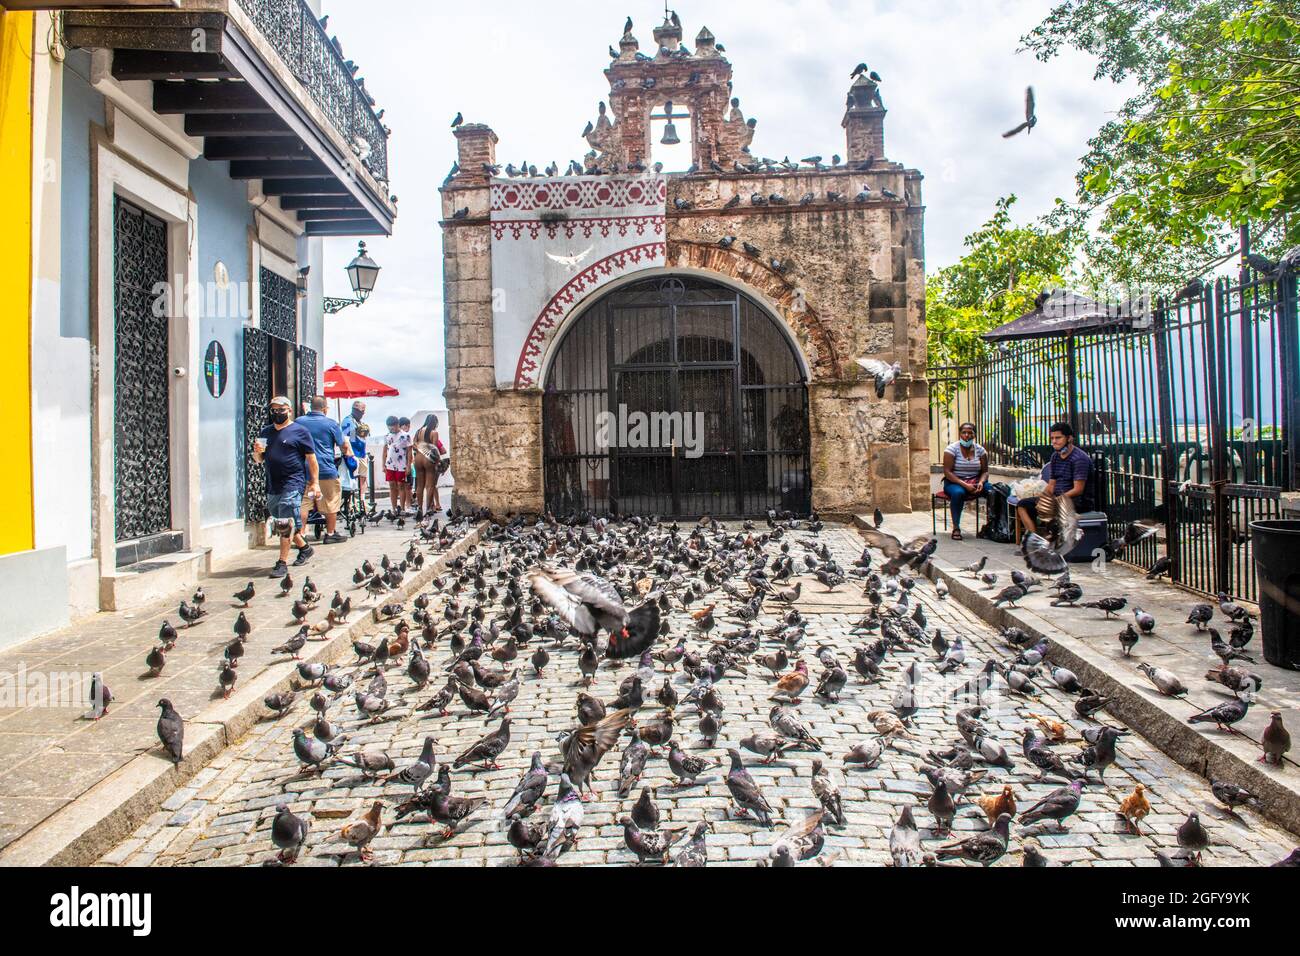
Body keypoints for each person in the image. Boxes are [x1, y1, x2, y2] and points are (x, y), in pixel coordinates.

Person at [252, 395, 319, 576]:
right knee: (281, 520)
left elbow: (312, 460)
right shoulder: (266, 432)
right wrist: (256, 453)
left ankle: (282, 562)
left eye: (281, 410)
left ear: (289, 411)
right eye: (274, 410)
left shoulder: (300, 431)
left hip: (293, 482)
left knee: (285, 522)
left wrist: (315, 483)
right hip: (273, 483)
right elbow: (259, 459)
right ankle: (305, 548)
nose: (277, 413)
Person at [1017, 421, 1092, 537]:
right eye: (1052, 438)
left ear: (1069, 438)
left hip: (1077, 501)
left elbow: (1078, 489)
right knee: (1022, 505)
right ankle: (1034, 540)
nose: (1054, 441)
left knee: (1050, 511)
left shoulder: (1079, 459)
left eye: (1058, 438)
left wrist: (1056, 500)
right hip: (1058, 498)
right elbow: (1051, 485)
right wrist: (1043, 498)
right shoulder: (1055, 456)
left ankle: (1050, 540)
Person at [297, 396, 353, 544]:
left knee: (304, 503)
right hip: (326, 469)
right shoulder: (331, 424)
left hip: (304, 469)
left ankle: (301, 535)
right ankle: (330, 533)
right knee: (331, 500)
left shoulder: (299, 422)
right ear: (325, 408)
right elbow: (344, 446)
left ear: (310, 407)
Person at [942, 422, 988, 541]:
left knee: (993, 491)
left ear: (974, 435)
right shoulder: (951, 449)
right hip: (954, 482)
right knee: (958, 493)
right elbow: (947, 472)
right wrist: (965, 485)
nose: (967, 435)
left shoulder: (981, 451)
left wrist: (982, 482)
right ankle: (956, 527)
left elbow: (985, 471)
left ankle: (992, 525)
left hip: (975, 482)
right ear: (960, 434)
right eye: (964, 432)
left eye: (970, 433)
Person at [412, 414, 446, 518]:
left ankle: (419, 509)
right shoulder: (434, 432)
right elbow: (434, 448)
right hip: (428, 459)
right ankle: (428, 508)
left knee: (420, 485)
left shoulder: (418, 431)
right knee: (430, 485)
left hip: (418, 458)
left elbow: (414, 445)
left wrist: (420, 449)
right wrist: (439, 461)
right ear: (435, 423)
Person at [383, 416, 412, 514]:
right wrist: (383, 464)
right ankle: (394, 508)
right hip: (390, 464)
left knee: (401, 485)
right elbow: (384, 451)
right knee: (392, 485)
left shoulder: (405, 436)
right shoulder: (387, 436)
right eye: (389, 427)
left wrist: (408, 465)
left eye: (393, 427)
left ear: (397, 425)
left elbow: (409, 452)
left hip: (401, 464)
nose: (391, 429)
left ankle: (402, 508)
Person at [340, 400, 368, 503]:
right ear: (355, 410)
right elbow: (347, 439)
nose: (363, 413)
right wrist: (351, 455)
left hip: (362, 454)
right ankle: (352, 503)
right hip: (353, 455)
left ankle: (362, 500)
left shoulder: (360, 422)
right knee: (352, 479)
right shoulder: (348, 421)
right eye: (362, 410)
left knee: (363, 478)